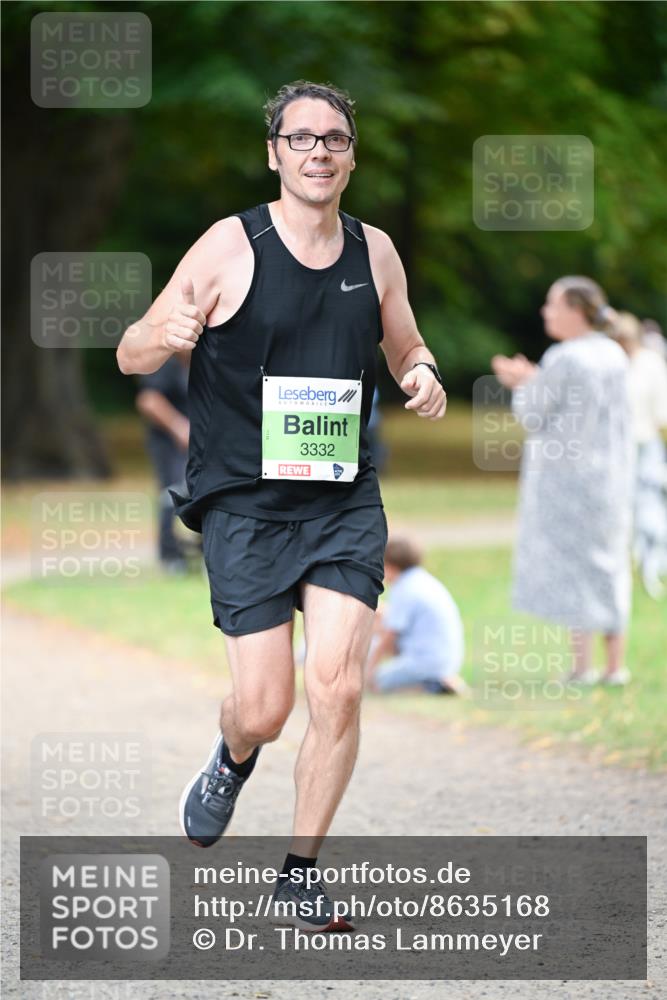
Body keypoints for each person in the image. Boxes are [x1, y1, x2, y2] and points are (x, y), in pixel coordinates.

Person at [116, 80, 446, 931]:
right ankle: (232, 755)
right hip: (243, 502)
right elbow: (130, 352)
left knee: (337, 688)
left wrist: (420, 372)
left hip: (342, 501)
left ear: (352, 155)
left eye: (334, 138)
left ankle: (299, 873)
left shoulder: (374, 251)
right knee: (266, 709)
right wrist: (164, 335)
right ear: (273, 153)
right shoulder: (229, 245)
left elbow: (404, 340)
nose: (318, 152)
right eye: (300, 138)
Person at [491, 276, 633, 686]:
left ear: (575, 309)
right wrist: (536, 379)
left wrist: (521, 383)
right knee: (609, 564)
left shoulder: (565, 356)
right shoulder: (613, 353)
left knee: (575, 569)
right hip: (610, 478)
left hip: (568, 481)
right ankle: (614, 665)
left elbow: (533, 414)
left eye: (553, 303)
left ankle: (581, 666)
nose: (545, 311)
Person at [610, 312, 667, 597]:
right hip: (616, 447)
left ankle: (651, 565)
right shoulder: (611, 363)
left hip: (646, 446)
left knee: (649, 507)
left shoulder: (651, 363)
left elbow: (661, 413)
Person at [365, 536, 466, 694]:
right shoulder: (422, 580)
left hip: (424, 661)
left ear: (391, 566)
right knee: (379, 625)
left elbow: (390, 636)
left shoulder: (403, 589)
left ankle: (433, 685)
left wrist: (371, 668)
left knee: (377, 681)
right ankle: (439, 679)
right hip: (446, 659)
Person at [135, 353, 191, 573]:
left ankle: (199, 550)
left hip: (193, 441)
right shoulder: (166, 364)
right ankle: (170, 555)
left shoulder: (201, 360)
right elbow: (148, 399)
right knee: (171, 494)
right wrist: (179, 427)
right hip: (168, 442)